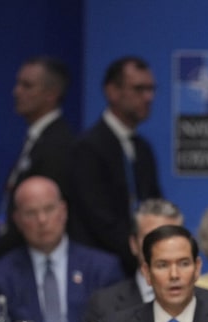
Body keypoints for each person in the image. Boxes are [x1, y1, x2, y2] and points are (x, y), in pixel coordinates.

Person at [0, 176, 124, 322]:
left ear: (63, 211)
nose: (42, 220)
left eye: (49, 209)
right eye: (31, 213)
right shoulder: (0, 275)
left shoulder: (102, 268)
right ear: (17, 220)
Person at [67, 56, 162, 274]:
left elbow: (155, 206)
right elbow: (98, 219)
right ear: (112, 91)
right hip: (100, 270)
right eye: (139, 89)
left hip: (140, 265)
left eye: (151, 89)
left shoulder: (142, 148)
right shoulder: (87, 148)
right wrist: (142, 252)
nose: (149, 97)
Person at [0, 56, 75, 262]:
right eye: (18, 84)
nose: (16, 92)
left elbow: (41, 212)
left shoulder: (58, 145)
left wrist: (0, 253)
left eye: (27, 86)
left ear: (51, 94)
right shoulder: (37, 139)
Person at [83, 198, 193, 322]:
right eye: (152, 238)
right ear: (133, 244)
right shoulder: (104, 305)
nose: (164, 247)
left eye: (171, 237)